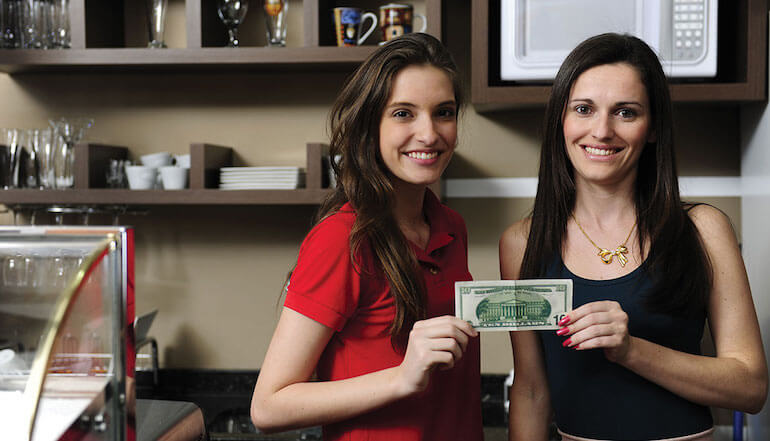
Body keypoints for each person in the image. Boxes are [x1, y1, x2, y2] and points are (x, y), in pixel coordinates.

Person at [499, 33, 767, 441]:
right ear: (561, 121)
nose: (601, 130)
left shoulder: (703, 229)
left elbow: (750, 387)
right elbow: (533, 391)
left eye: (625, 112)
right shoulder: (522, 243)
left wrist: (631, 351)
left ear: (654, 127)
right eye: (584, 109)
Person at [250, 33, 483, 441]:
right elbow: (268, 406)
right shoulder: (342, 239)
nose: (429, 133)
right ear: (369, 126)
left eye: (443, 112)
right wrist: (402, 377)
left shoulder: (451, 225)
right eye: (403, 114)